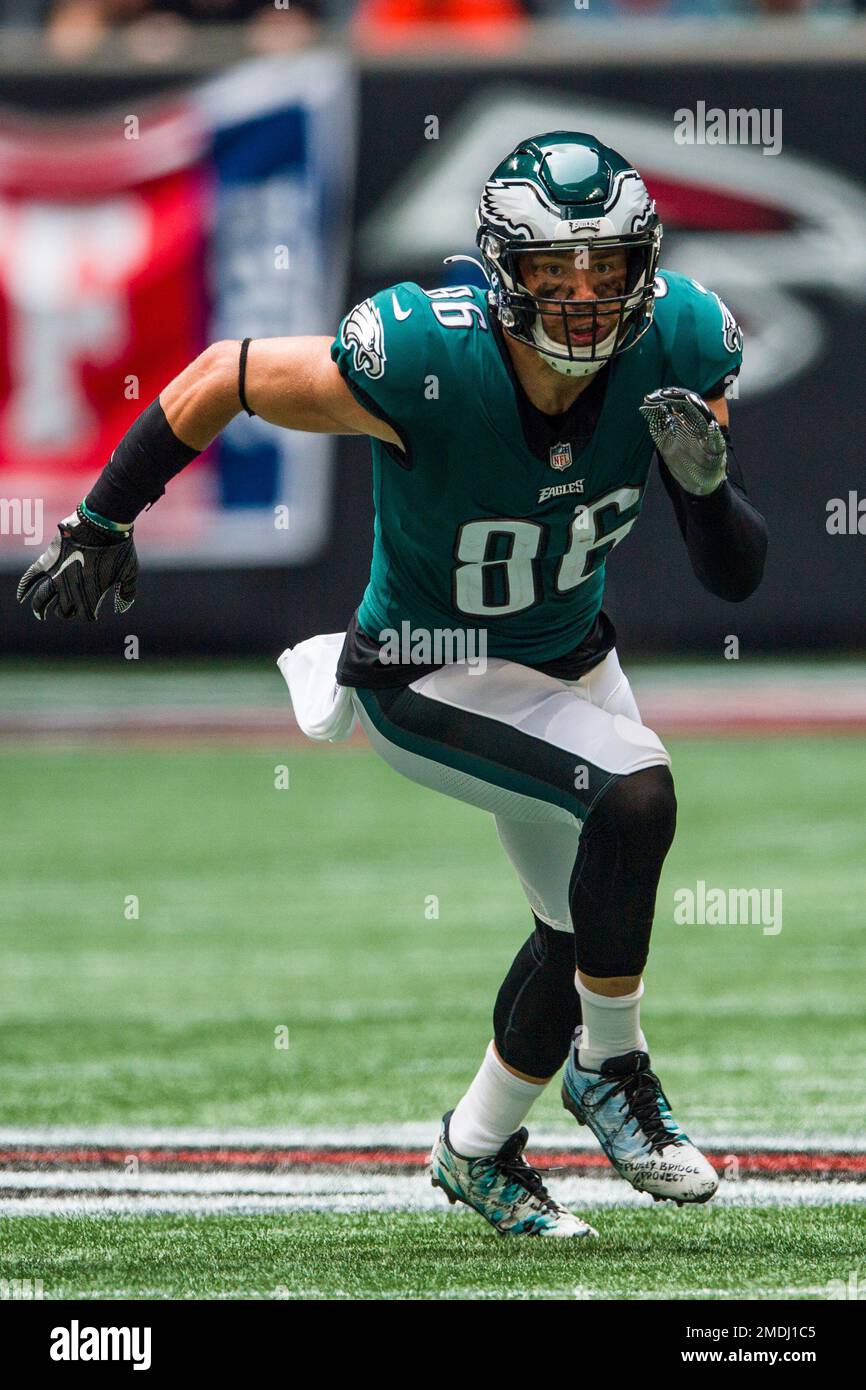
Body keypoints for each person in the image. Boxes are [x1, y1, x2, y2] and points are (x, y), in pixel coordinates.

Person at [18, 131, 768, 1239]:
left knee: (581, 924)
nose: (579, 297)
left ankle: (476, 1147)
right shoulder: (425, 358)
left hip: (562, 657)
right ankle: (614, 1073)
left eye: (603, 267)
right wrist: (102, 515)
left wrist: (703, 490)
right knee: (635, 792)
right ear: (502, 268)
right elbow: (227, 374)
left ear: (640, 265)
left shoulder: (681, 341)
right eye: (552, 270)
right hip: (424, 667)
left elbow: (732, 575)